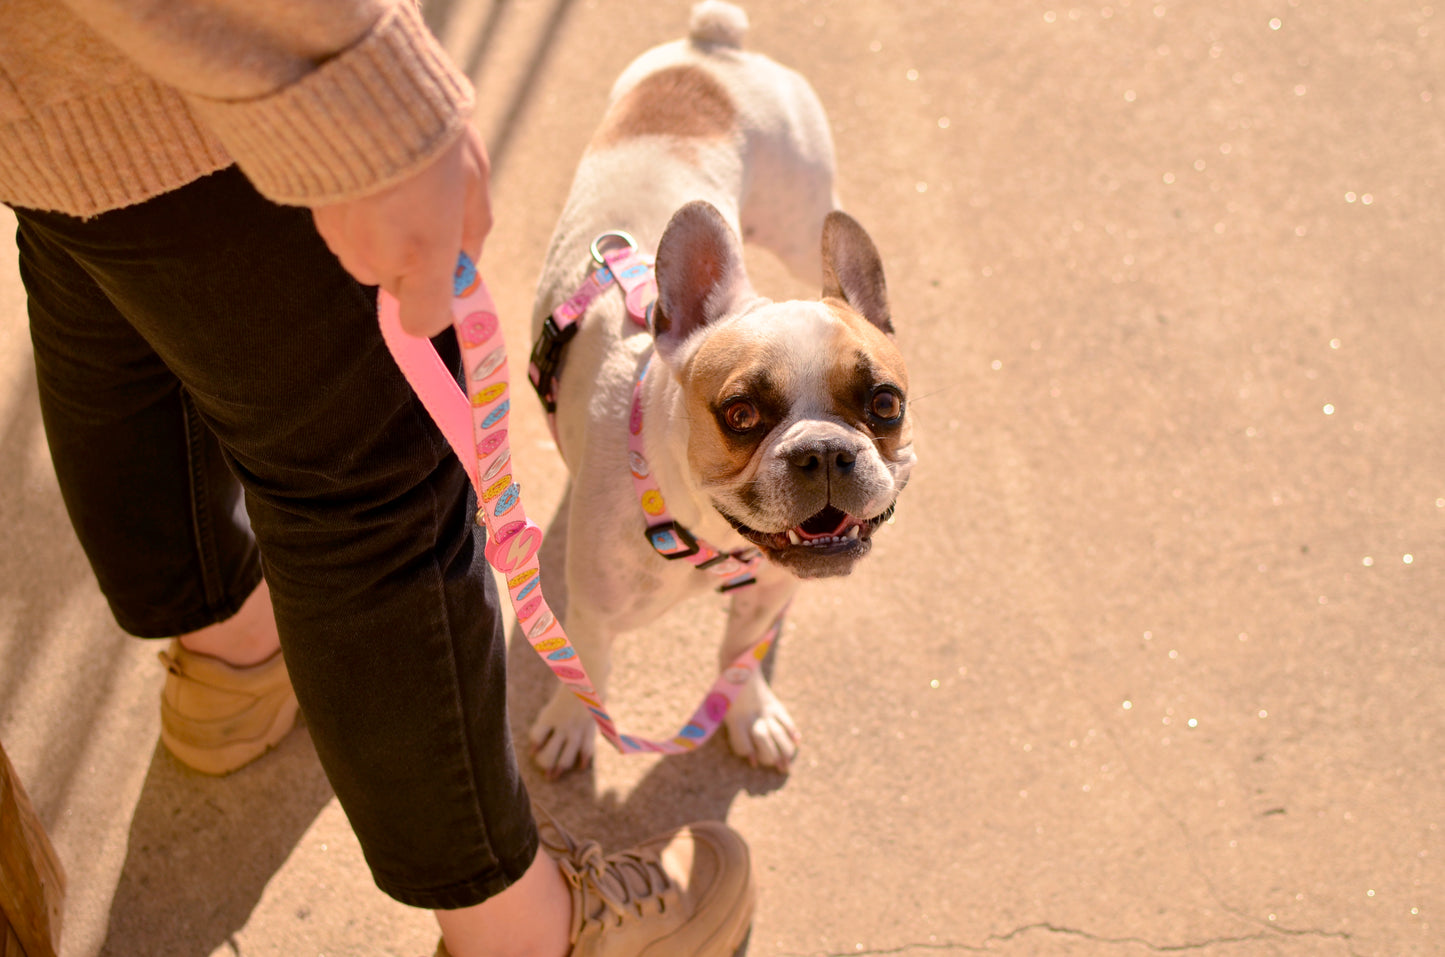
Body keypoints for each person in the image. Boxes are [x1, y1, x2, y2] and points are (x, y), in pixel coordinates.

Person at [0, 1, 756, 955]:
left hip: (34, 85)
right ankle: (527, 932)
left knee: (107, 306)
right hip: (217, 87)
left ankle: (231, 660)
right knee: (371, 487)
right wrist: (360, 79)